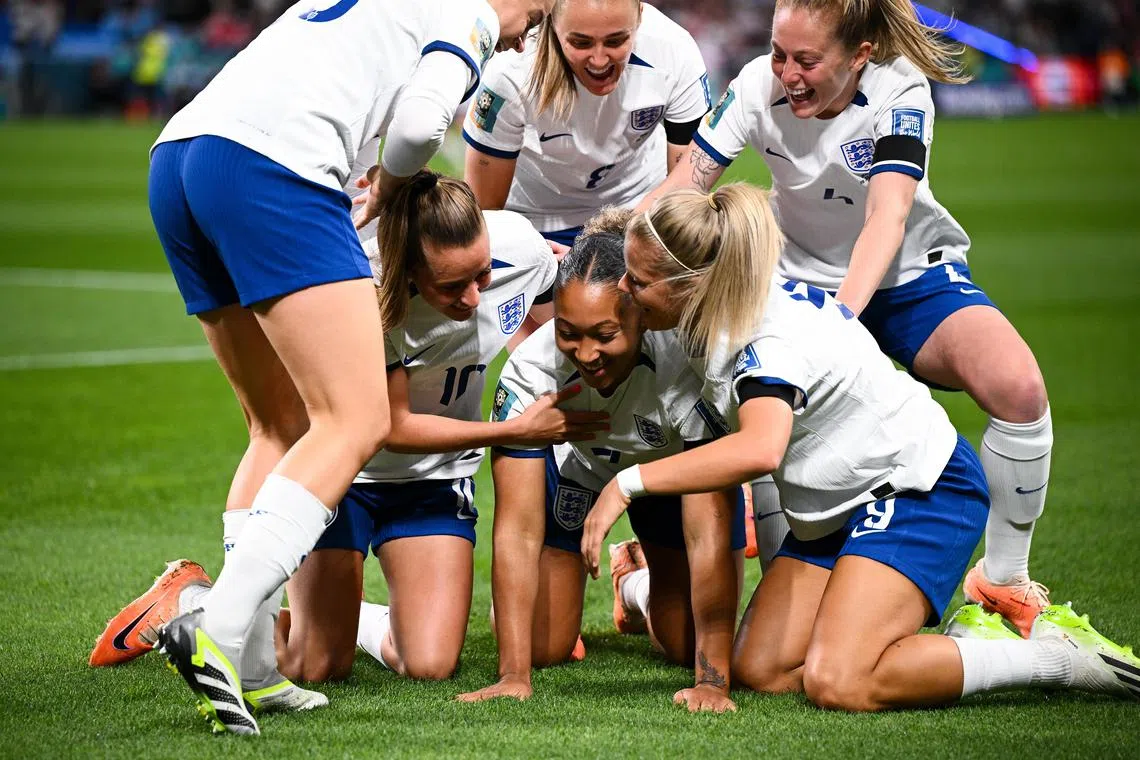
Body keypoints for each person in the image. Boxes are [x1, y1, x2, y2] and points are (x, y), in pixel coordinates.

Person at [139, 0, 553, 735]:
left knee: (279, 424)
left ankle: (254, 666)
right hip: (277, 164)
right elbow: (424, 123)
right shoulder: (469, 13)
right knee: (355, 419)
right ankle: (219, 626)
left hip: (181, 156)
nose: (529, 33)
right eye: (540, 14)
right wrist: (396, 182)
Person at [579, 184, 1140, 712]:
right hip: (837, 511)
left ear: (689, 286)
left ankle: (1051, 660)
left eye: (636, 281)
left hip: (918, 488)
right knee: (763, 669)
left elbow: (760, 451)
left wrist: (626, 485)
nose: (624, 290)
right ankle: (913, 644)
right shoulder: (718, 309)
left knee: (838, 680)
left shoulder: (764, 343)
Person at [642, 0, 1055, 635]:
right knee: (769, 418)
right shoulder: (756, 84)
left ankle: (1003, 584)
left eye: (807, 60)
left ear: (859, 54)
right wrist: (610, 245)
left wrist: (838, 325)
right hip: (792, 278)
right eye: (780, 54)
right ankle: (771, 580)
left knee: (1019, 388)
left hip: (904, 274)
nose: (787, 73)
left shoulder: (900, 89)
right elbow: (685, 187)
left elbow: (886, 217)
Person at [272, 171, 607, 684]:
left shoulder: (520, 247)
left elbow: (547, 337)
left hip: (433, 479)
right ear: (408, 273)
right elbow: (392, 427)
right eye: (451, 286)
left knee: (429, 664)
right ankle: (205, 604)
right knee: (314, 666)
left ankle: (343, 617)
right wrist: (511, 430)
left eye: (483, 274)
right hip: (344, 474)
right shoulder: (364, 290)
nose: (474, 298)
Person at [457, 220, 745, 713]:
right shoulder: (530, 371)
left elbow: (707, 535)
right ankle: (612, 577)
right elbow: (516, 531)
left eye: (604, 334)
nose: (586, 354)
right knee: (543, 646)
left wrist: (712, 683)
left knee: (687, 645)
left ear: (640, 317)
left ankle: (633, 583)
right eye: (569, 333)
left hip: (668, 477)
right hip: (579, 474)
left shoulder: (688, 361)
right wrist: (512, 675)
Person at [463, 0, 711, 251]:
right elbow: (485, 214)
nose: (600, 60)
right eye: (581, 43)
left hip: (639, 210)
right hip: (536, 223)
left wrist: (616, 242)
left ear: (639, 17)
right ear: (554, 25)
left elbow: (686, 192)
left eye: (616, 41)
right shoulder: (510, 73)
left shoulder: (674, 51)